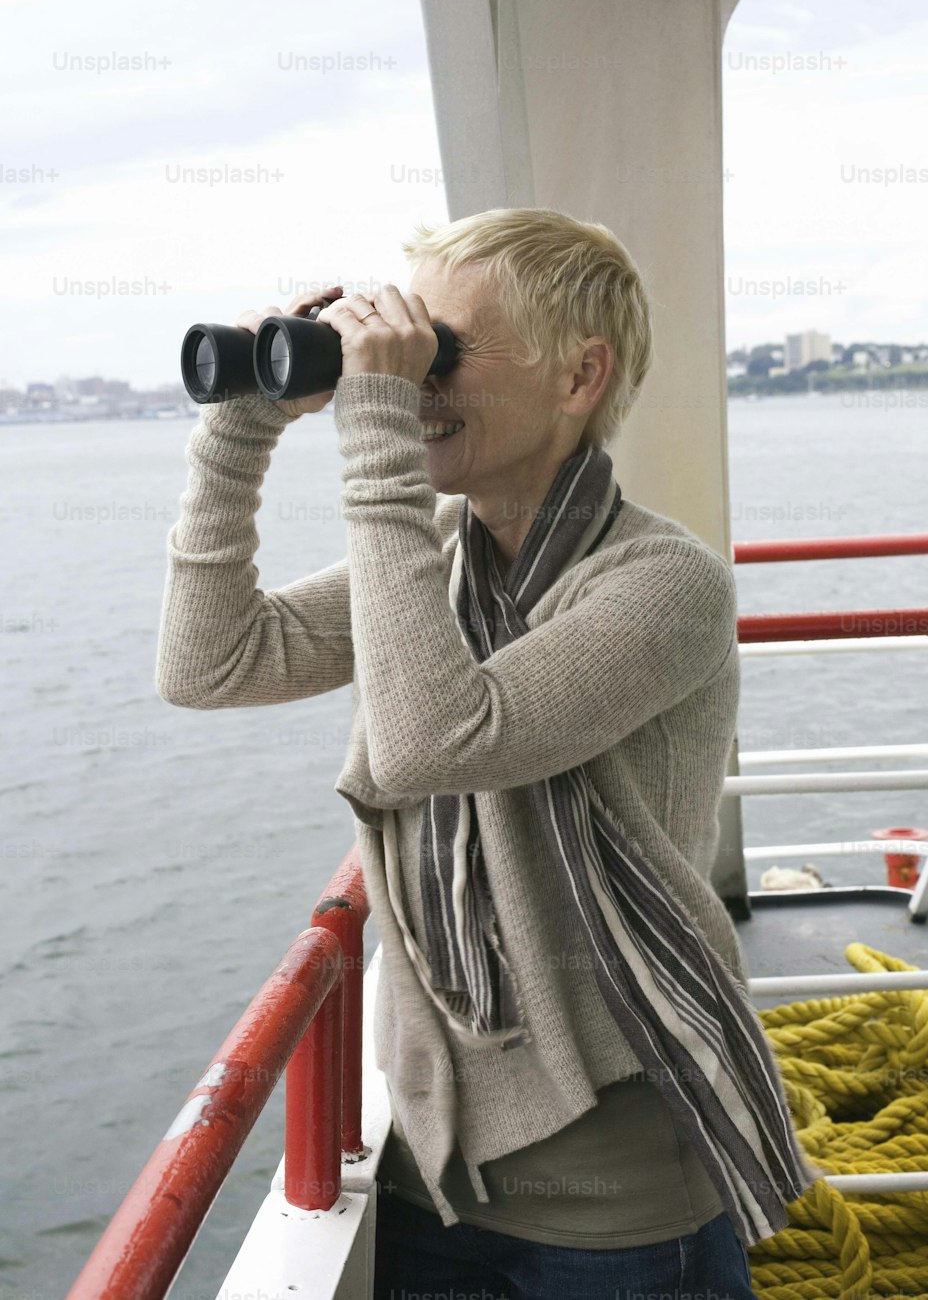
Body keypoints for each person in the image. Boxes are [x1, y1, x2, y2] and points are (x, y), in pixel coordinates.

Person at [157, 207, 818, 1300]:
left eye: (440, 352)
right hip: (433, 1161)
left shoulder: (664, 584)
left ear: (578, 377)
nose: (412, 377)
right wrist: (240, 427)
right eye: (401, 344)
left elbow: (432, 740)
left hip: (618, 1189)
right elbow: (211, 663)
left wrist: (373, 423)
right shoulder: (449, 569)